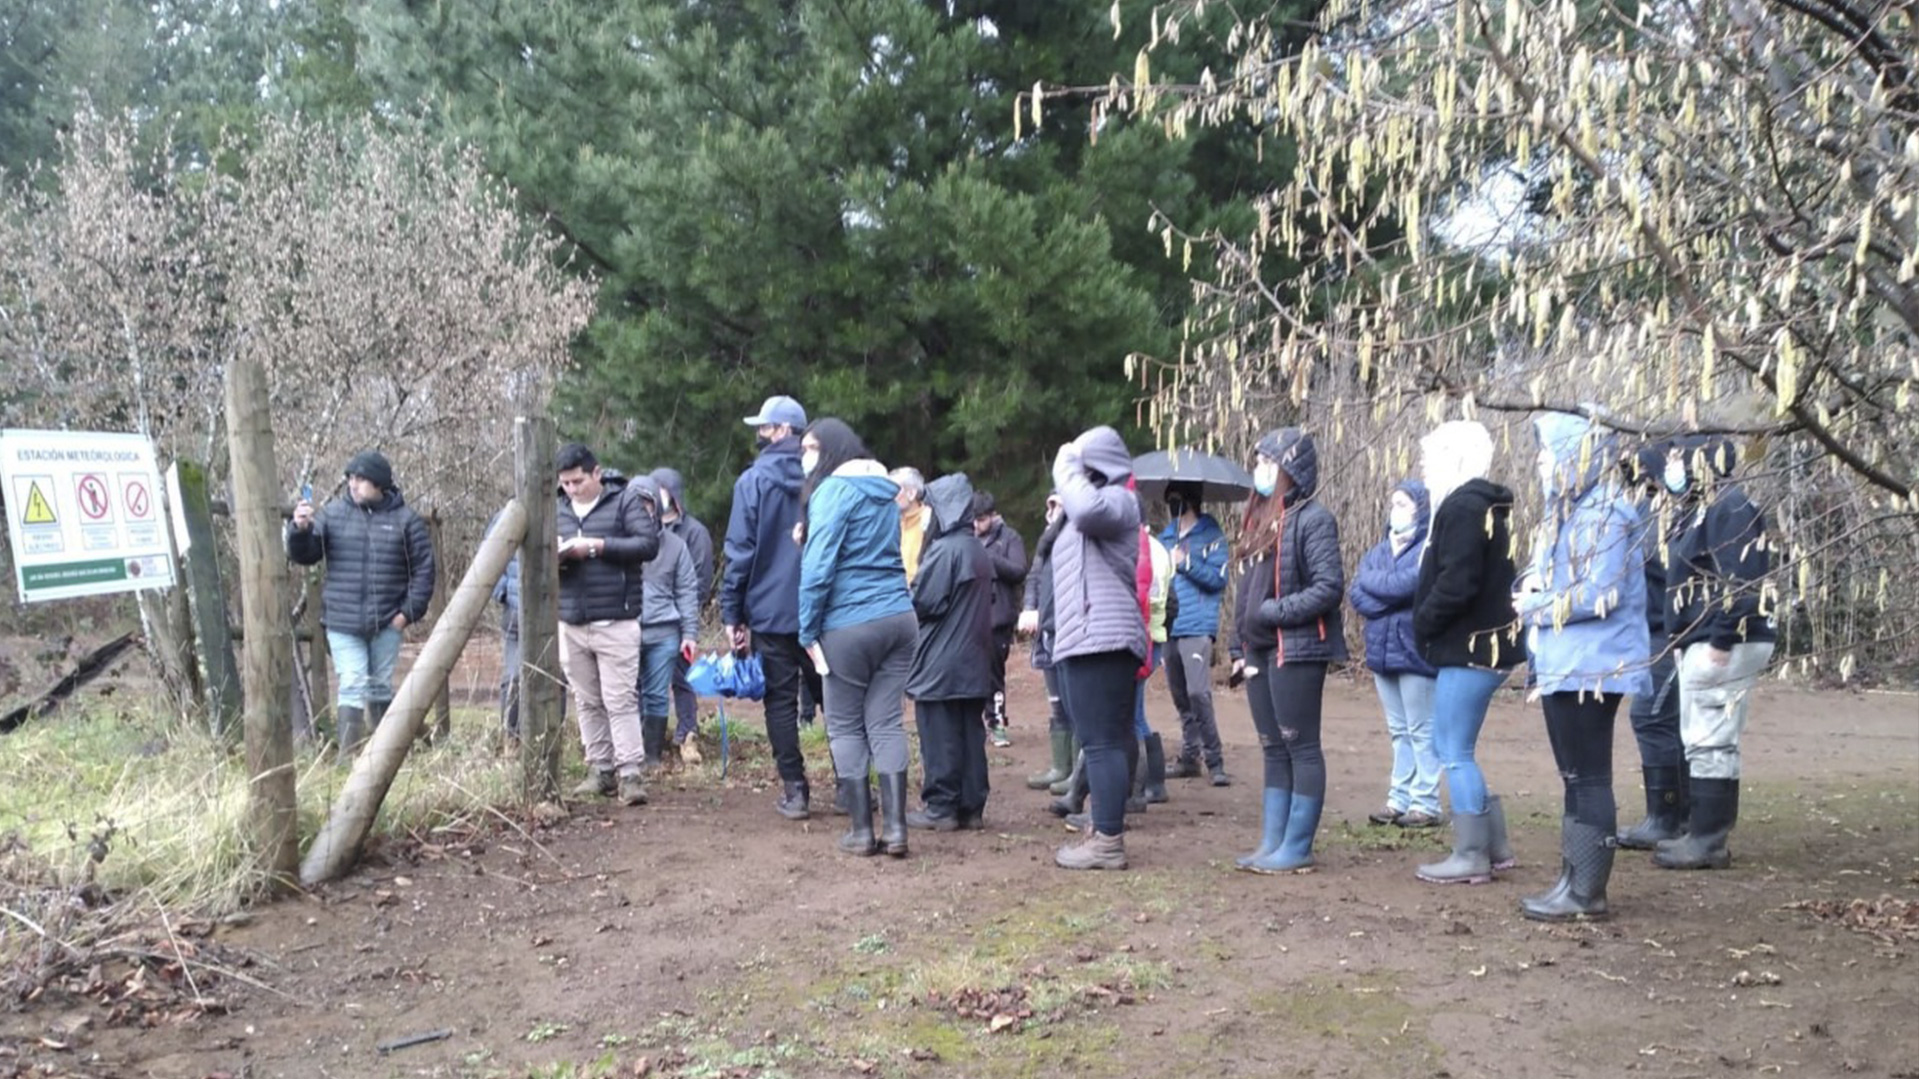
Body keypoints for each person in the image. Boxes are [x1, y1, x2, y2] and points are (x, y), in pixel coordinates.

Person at [1513, 414, 1652, 920]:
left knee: (1589, 777)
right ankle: (1572, 878)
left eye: (1550, 452)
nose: (1541, 462)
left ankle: (1588, 890)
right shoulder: (1565, 512)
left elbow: (1600, 593)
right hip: (1563, 662)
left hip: (1595, 665)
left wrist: (1534, 605)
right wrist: (1530, 586)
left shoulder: (1607, 512)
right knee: (1573, 776)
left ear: (1577, 455)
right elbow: (1544, 572)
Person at [797, 418, 919, 857]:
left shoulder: (832, 491)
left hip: (848, 624)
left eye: (809, 448)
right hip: (899, 618)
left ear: (830, 450)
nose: (803, 458)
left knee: (845, 723)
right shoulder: (885, 492)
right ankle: (898, 830)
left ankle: (862, 832)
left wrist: (807, 629)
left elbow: (818, 568)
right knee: (886, 722)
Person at [1227, 429, 1346, 874]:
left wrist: (1275, 612)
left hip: (1295, 649)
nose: (1258, 469)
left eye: (1266, 462)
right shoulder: (1257, 521)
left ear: (1289, 469)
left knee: (1301, 747)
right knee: (1272, 748)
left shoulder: (1314, 520)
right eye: (1257, 460)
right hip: (1257, 652)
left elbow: (1328, 587)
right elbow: (1246, 592)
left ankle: (1297, 847)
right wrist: (1238, 644)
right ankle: (1271, 841)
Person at [1411, 420, 1523, 885]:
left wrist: (1423, 621)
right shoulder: (1486, 509)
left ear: (1452, 458)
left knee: (1452, 748)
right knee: (1458, 746)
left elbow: (1458, 583)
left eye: (1429, 457)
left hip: (1470, 648)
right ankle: (1493, 846)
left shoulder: (1460, 509)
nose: (1423, 466)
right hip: (1485, 647)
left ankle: (1472, 852)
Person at [1654, 437, 1775, 870]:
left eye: (1677, 460)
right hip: (1712, 636)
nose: (1672, 469)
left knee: (1709, 737)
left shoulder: (1729, 508)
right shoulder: (1711, 508)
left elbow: (1742, 577)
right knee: (1711, 737)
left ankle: (1707, 839)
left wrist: (1722, 637)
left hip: (1722, 639)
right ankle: (1705, 835)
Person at [287, 450, 436, 757]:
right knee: (353, 683)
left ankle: (386, 756)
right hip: (342, 622)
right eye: (351, 479)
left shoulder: (406, 521)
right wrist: (299, 531)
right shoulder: (332, 516)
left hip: (387, 622)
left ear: (380, 484)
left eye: (361, 479)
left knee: (380, 686)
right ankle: (348, 759)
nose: (353, 485)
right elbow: (306, 555)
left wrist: (405, 614)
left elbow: (424, 571)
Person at [1048, 426, 1147, 871]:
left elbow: (1086, 508)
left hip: (1103, 638)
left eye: (1079, 464)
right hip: (1082, 636)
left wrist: (1064, 462)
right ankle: (1102, 826)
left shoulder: (1119, 503)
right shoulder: (1083, 510)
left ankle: (1108, 840)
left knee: (1104, 742)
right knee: (1096, 739)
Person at [721, 394, 819, 820]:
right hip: (822, 608)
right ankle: (856, 788)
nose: (758, 434)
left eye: (763, 427)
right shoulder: (823, 479)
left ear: (781, 431)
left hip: (770, 611)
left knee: (779, 701)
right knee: (839, 700)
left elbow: (740, 552)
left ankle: (796, 792)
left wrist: (732, 613)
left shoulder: (752, 482)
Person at [554, 444, 661, 806]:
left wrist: (598, 547)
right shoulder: (556, 509)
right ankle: (599, 768)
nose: (571, 489)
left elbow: (647, 545)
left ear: (596, 474)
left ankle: (630, 772)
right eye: (565, 483)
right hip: (570, 619)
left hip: (616, 618)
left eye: (578, 481)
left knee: (620, 699)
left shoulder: (625, 501)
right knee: (586, 700)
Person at [1348, 480, 1442, 828]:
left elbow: (1410, 585)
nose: (1395, 509)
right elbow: (1357, 592)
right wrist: (1389, 595)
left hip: (1415, 652)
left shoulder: (1428, 549)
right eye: (1393, 503)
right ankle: (1398, 798)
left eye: (1402, 503)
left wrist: (1382, 591)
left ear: (1420, 508)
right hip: (1381, 652)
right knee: (1398, 730)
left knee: (1421, 729)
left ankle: (1425, 802)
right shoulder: (1377, 551)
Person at [905, 472, 995, 831]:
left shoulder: (945, 551)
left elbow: (923, 602)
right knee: (970, 734)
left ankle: (941, 806)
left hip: (941, 662)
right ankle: (971, 806)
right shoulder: (976, 549)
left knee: (939, 735)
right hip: (973, 660)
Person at [1616, 441, 1687, 848]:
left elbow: (1665, 566)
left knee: (1652, 718)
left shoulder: (1667, 513)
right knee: (1664, 721)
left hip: (1667, 632)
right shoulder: (1643, 509)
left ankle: (1666, 817)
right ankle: (1675, 815)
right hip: (1652, 631)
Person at [1159, 482, 1232, 787]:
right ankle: (1190, 757)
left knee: (1198, 693)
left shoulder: (1212, 536)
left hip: (1198, 624)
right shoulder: (1166, 537)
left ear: (1189, 501)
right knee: (1180, 696)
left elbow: (1218, 579)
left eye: (1175, 500)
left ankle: (1214, 759)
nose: (1171, 506)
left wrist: (1185, 562)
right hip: (1169, 624)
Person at [652, 468, 714, 765]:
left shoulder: (695, 532)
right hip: (650, 619)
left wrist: (686, 618)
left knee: (683, 679)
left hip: (682, 619)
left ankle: (688, 735)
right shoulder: (642, 529)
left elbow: (700, 579)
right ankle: (649, 736)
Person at [638, 510, 700, 774]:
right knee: (622, 694)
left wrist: (690, 634)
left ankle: (652, 755)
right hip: (623, 628)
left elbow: (687, 591)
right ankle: (625, 755)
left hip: (664, 631)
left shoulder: (675, 546)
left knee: (656, 694)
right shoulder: (616, 539)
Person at [1020, 495, 1073, 793]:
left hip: (1069, 630)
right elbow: (1034, 577)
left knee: (1073, 702)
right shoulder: (1047, 542)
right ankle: (1061, 767)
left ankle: (1077, 772)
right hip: (1047, 631)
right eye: (1049, 504)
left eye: (1057, 504)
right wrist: (1030, 606)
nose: (1049, 511)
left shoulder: (1075, 538)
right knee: (1056, 703)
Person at [972, 491, 1027, 748]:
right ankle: (975, 725)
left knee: (994, 675)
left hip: (998, 618)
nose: (976, 525)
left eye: (981, 519)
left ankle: (997, 724)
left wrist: (990, 559)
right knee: (972, 673)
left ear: (992, 516)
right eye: (972, 519)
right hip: (971, 618)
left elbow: (1018, 571)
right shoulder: (967, 538)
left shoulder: (1009, 538)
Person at [891, 466, 930, 586]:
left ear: (911, 494)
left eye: (894, 490)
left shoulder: (930, 521)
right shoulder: (891, 523)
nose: (889, 496)